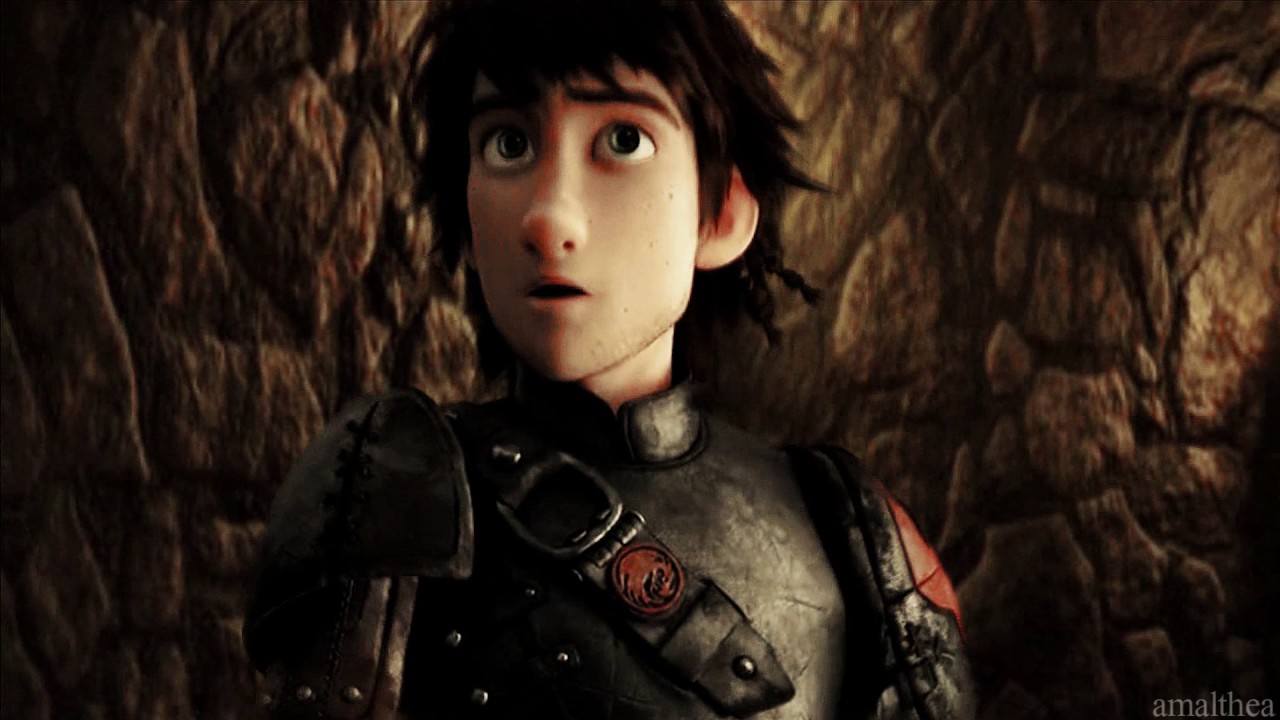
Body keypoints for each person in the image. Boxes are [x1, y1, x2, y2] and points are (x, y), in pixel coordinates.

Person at [243, 1, 975, 718]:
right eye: (508, 144)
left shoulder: (860, 537)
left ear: (720, 214)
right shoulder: (383, 487)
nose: (547, 216)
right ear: (467, 212)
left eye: (624, 140)